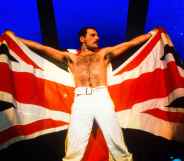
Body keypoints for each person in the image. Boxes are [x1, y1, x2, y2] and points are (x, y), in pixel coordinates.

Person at [15, 27, 153, 161]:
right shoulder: (71, 58)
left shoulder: (104, 54)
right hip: (81, 99)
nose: (97, 38)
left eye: (97, 35)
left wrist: (151, 34)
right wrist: (15, 39)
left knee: (115, 137)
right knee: (76, 141)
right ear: (82, 39)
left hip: (101, 97)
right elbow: (42, 48)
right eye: (93, 35)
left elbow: (130, 44)